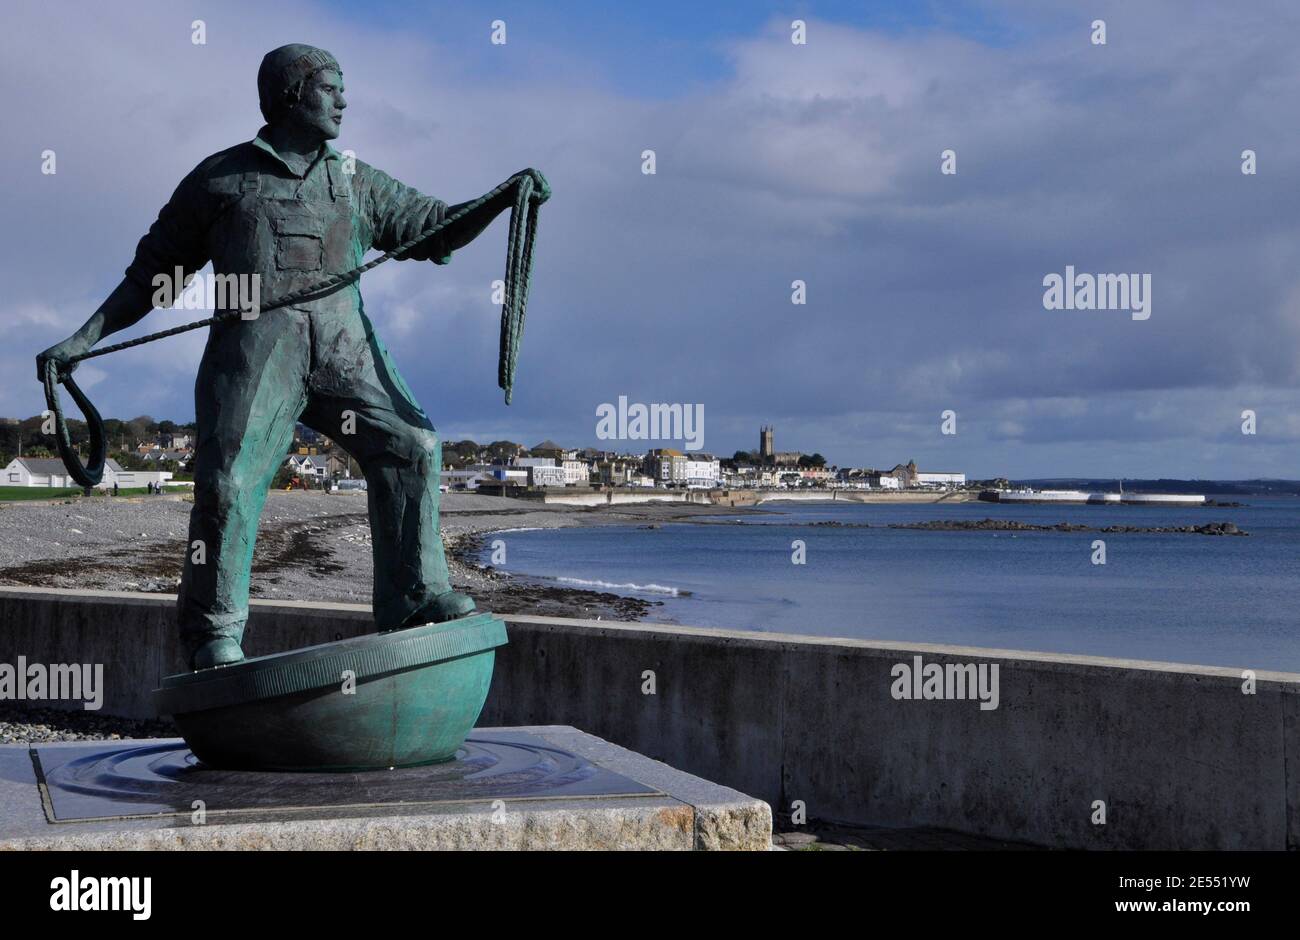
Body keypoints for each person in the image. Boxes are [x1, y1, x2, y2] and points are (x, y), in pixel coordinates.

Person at [36, 44, 549, 669]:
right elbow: (153, 274)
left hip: (345, 344)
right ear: (289, 95)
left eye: (343, 88)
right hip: (254, 353)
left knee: (413, 447)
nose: (344, 100)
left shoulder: (356, 179)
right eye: (331, 87)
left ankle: (413, 599)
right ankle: (211, 634)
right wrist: (83, 339)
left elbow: (435, 227)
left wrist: (502, 198)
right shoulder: (219, 179)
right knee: (227, 484)